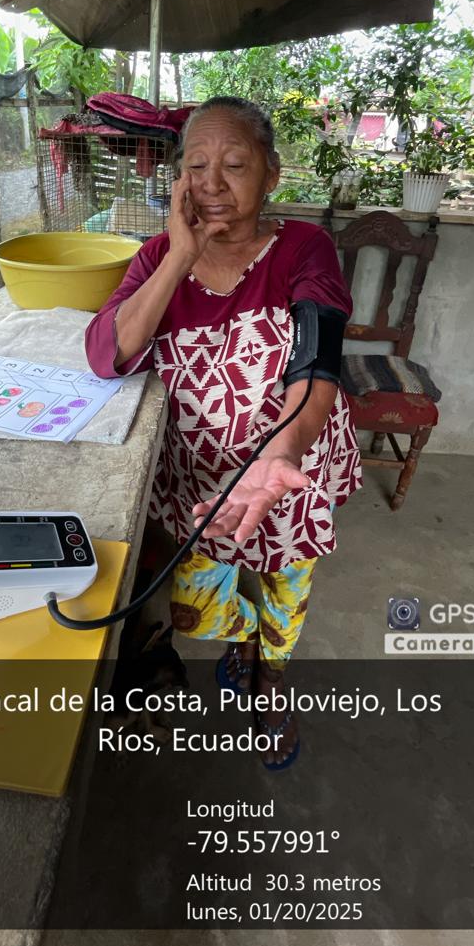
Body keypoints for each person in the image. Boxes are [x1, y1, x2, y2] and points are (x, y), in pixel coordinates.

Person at [85, 96, 361, 770]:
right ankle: (244, 639)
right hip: (202, 484)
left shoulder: (303, 248)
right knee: (194, 609)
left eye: (235, 165)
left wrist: (281, 452)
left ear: (271, 173)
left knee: (287, 589)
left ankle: (271, 680)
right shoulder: (158, 257)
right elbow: (107, 354)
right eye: (196, 164)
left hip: (289, 468)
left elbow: (317, 359)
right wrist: (180, 256)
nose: (211, 182)